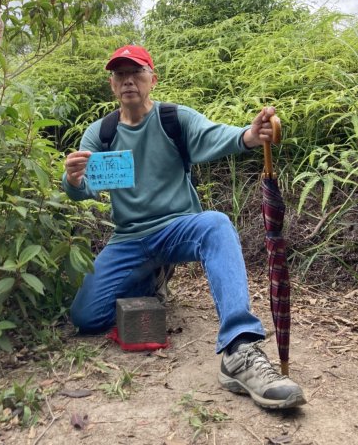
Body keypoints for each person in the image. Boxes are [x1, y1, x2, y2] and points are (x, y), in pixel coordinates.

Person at [62, 44, 306, 410]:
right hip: (129, 238)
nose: (128, 80)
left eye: (136, 72)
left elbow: (218, 136)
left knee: (216, 224)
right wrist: (74, 179)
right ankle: (151, 278)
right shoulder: (101, 134)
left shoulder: (174, 119)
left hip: (178, 228)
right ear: (112, 86)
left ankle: (239, 348)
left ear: (152, 79)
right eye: (119, 75)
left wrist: (250, 136)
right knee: (86, 317)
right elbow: (82, 191)